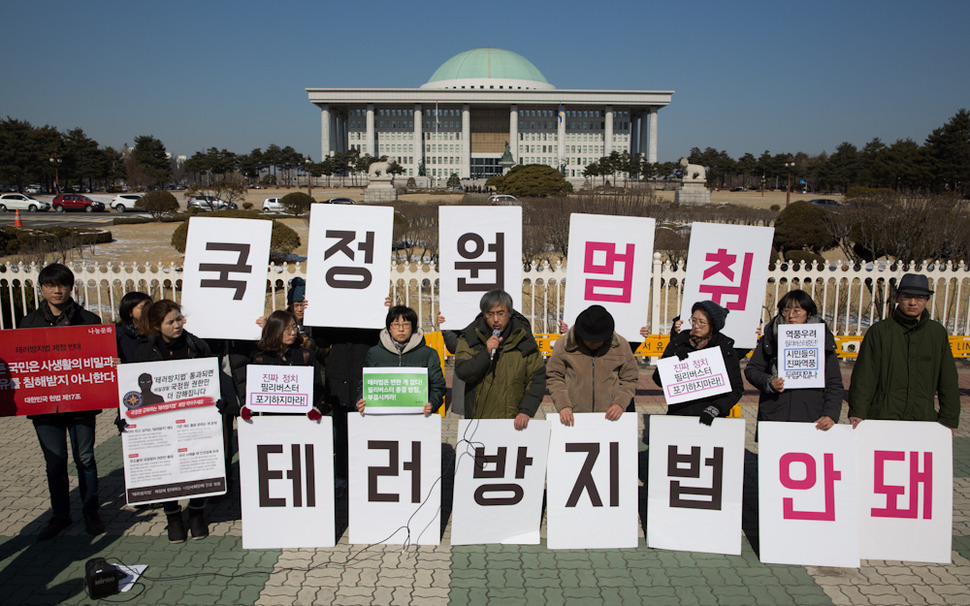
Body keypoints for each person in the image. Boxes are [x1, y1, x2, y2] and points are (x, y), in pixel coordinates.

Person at [17, 263, 105, 539]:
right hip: (44, 405)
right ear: (41, 288)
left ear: (71, 287)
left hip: (80, 403)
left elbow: (98, 358)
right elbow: (20, 364)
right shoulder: (28, 323)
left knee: (86, 459)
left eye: (63, 285)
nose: (57, 290)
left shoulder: (89, 321)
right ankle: (60, 515)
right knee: (55, 462)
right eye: (51, 285)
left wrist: (107, 363)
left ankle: (91, 512)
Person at [133, 299, 215, 542]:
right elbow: (130, 387)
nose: (177, 325)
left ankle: (197, 512)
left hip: (194, 417)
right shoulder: (144, 352)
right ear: (157, 326)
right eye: (170, 322)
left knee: (197, 463)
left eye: (179, 319)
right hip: (159, 420)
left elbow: (210, 379)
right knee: (166, 468)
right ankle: (173, 515)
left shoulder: (196, 346)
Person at [848, 273, 959, 431]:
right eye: (907, 297)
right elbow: (864, 376)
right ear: (897, 297)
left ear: (927, 300)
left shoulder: (936, 333)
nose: (913, 303)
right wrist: (857, 411)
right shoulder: (880, 332)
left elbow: (948, 380)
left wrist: (949, 419)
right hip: (883, 417)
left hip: (923, 419)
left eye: (919, 298)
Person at [744, 290, 843, 430]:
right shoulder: (771, 336)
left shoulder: (821, 339)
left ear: (808, 313)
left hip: (811, 415)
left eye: (797, 311)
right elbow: (752, 370)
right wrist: (769, 382)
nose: (791, 316)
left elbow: (834, 382)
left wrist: (831, 413)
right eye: (786, 310)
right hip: (775, 413)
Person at [454, 289, 546, 430]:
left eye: (501, 313)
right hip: (479, 421)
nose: (496, 319)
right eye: (490, 314)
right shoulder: (471, 337)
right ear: (484, 315)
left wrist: (526, 411)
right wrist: (486, 353)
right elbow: (463, 372)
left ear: (509, 313)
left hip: (515, 420)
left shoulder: (524, 338)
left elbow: (537, 378)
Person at [652, 300, 744, 424]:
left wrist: (716, 408)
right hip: (679, 414)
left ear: (713, 325)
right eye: (693, 320)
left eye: (702, 322)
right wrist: (673, 361)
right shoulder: (679, 342)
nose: (696, 326)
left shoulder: (724, 348)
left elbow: (736, 389)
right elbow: (658, 379)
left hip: (713, 418)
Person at [547, 305, 639, 426]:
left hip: (611, 417)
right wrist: (563, 404)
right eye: (589, 339)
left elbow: (630, 378)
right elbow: (554, 377)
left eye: (597, 340)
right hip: (574, 416)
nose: (593, 343)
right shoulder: (563, 345)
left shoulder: (621, 346)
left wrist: (620, 403)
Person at [355, 306, 447, 415]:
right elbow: (365, 385)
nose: (401, 329)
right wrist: (360, 402)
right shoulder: (374, 353)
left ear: (413, 327)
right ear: (389, 327)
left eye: (406, 324)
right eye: (396, 324)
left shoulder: (428, 353)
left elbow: (438, 386)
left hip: (418, 416)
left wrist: (432, 403)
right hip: (382, 416)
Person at [244, 310, 327, 418]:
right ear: (275, 330)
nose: (293, 332)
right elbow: (254, 391)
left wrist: (315, 408)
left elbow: (318, 387)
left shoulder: (306, 355)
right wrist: (248, 408)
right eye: (287, 329)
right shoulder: (261, 358)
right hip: (271, 422)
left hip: (302, 420)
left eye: (294, 328)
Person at [115, 291, 152, 363]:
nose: (147, 310)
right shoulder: (118, 333)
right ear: (130, 312)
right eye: (142, 307)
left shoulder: (156, 331)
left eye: (149, 306)